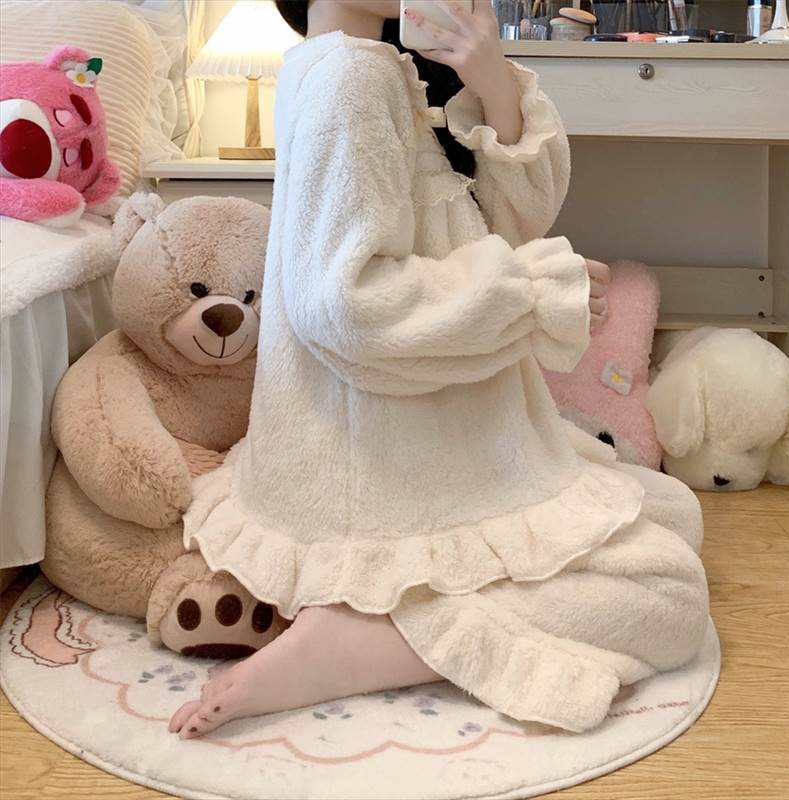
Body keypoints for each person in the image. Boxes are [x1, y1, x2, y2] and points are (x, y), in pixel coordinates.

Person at [169, 0, 709, 739]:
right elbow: (348, 305)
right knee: (672, 596)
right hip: (391, 468)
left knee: (674, 512)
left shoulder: (378, 70)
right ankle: (379, 637)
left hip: (427, 440)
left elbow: (505, 220)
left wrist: (491, 79)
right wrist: (528, 294)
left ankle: (377, 615)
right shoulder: (349, 79)